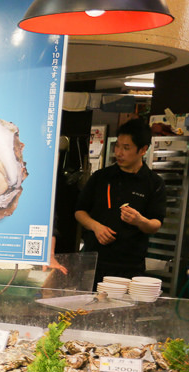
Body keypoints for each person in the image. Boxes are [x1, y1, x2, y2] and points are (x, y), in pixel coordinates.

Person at [75, 118, 166, 285]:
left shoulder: (153, 183)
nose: (119, 153)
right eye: (117, 146)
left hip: (130, 264)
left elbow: (155, 223)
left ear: (143, 150)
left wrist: (140, 221)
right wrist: (96, 227)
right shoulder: (101, 177)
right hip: (93, 260)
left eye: (126, 148)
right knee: (85, 307)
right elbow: (79, 211)